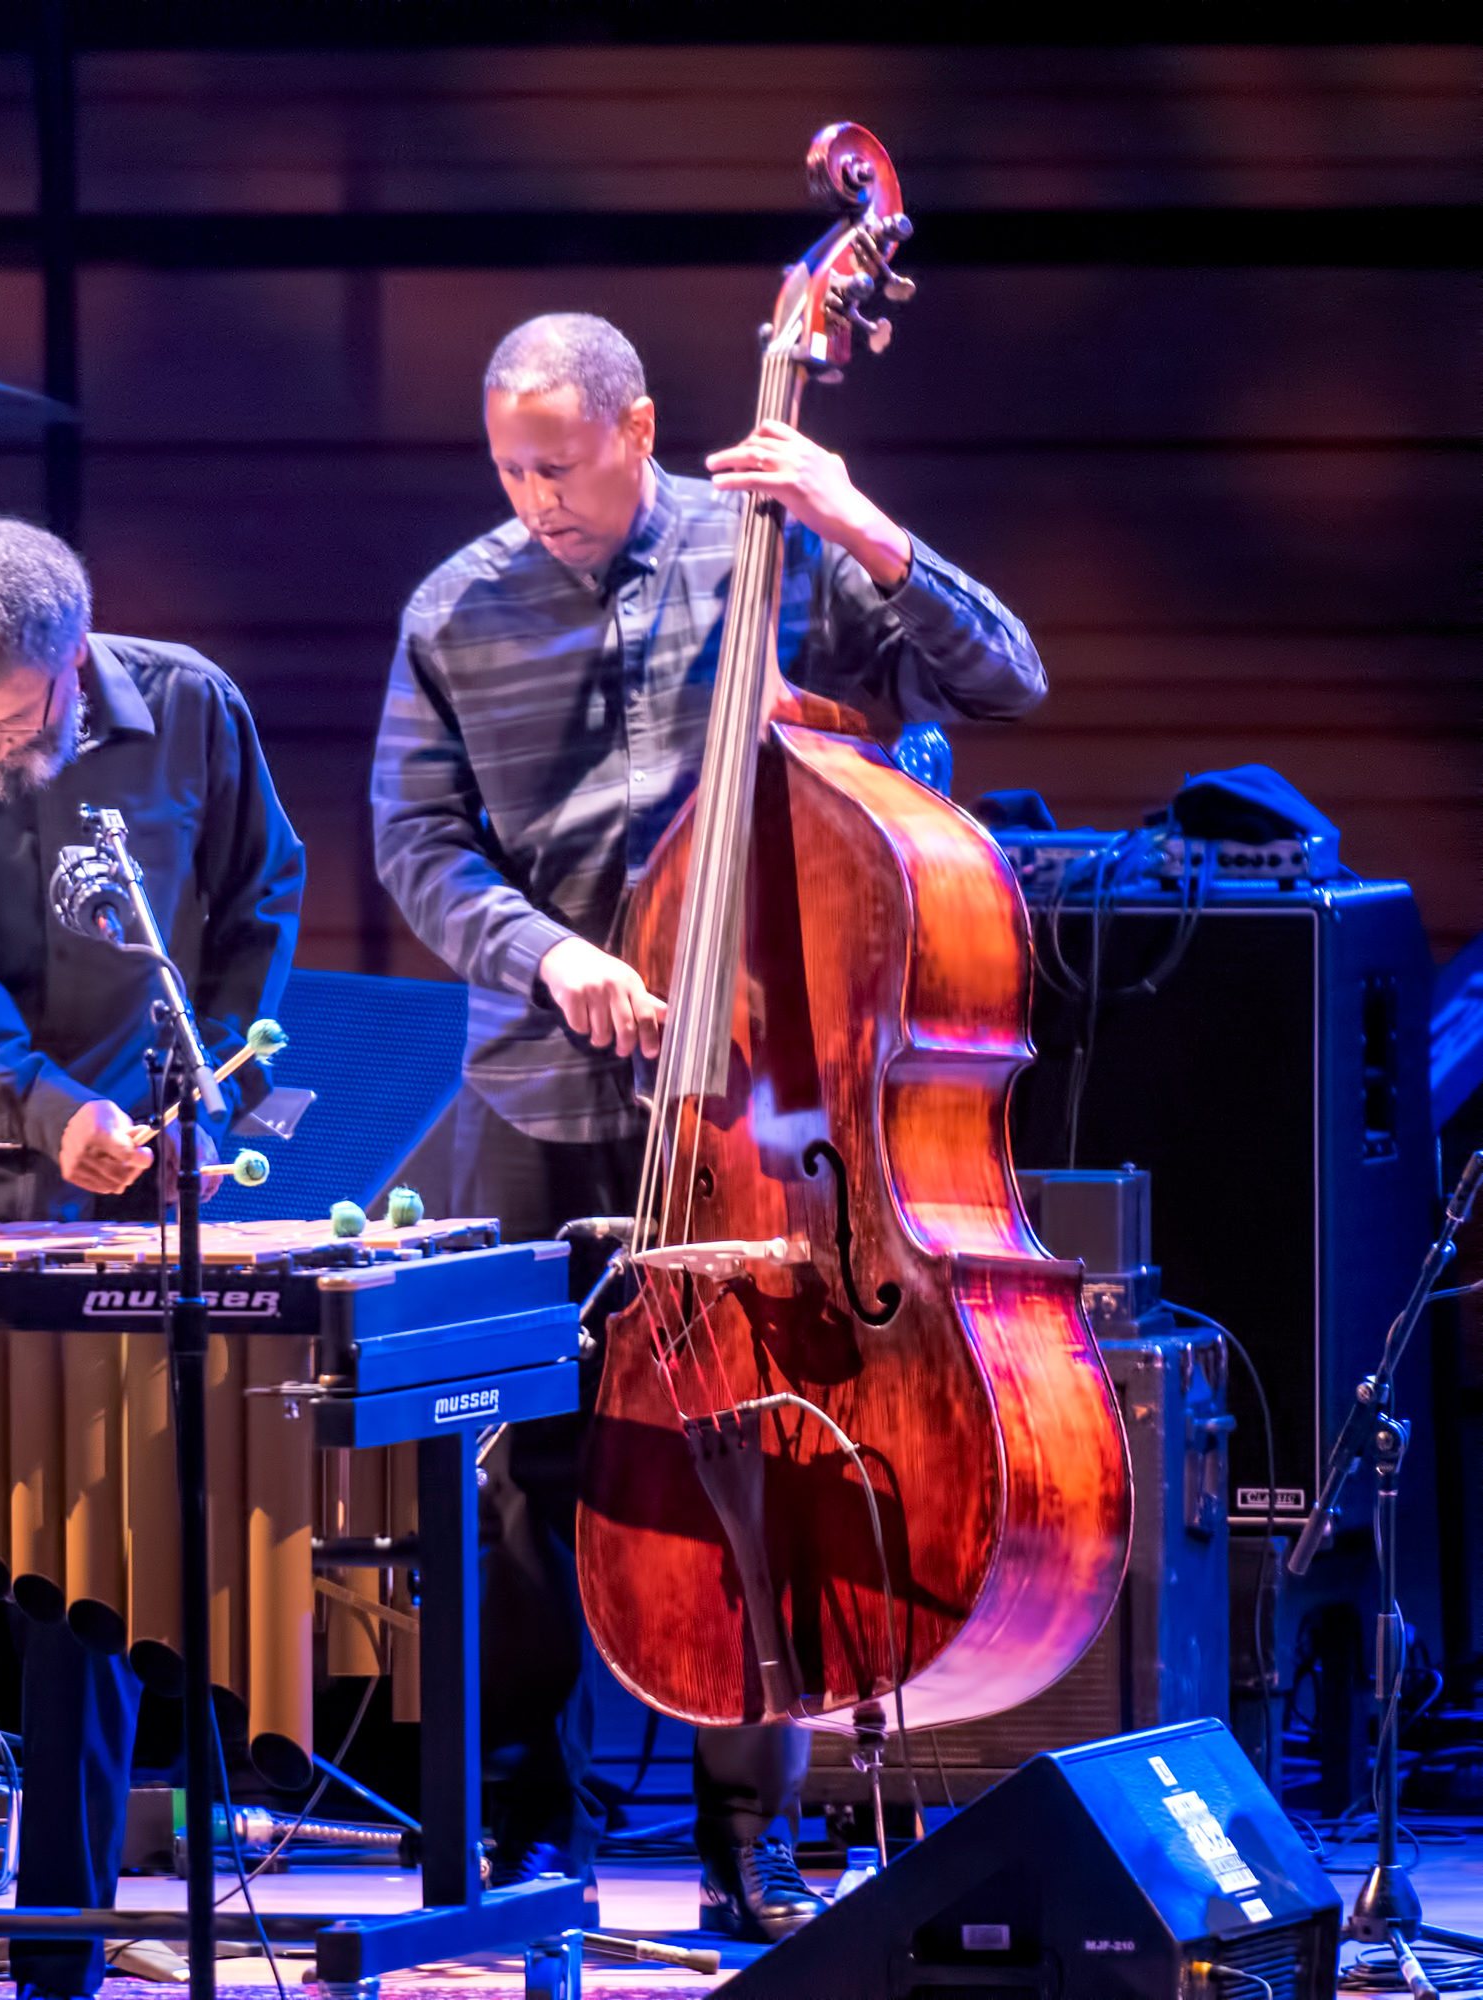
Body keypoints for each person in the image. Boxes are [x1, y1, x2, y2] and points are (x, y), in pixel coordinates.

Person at [369, 314, 1045, 1942]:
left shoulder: (774, 552)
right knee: (520, 1467)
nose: (532, 496)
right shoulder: (454, 609)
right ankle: (531, 1818)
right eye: (508, 468)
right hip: (543, 1085)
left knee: (774, 1436)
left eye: (558, 462)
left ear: (639, 427)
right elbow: (414, 841)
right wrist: (550, 954)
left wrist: (860, 522)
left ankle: (751, 1828)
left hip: (768, 1098)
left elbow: (1001, 677)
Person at [0, 515, 305, 2000]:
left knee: (82, 1601)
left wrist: (195, 1095)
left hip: (114, 1206)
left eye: (10, 722)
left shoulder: (196, 709)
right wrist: (45, 1109)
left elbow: (256, 902)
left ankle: (64, 1954)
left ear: (76, 659)